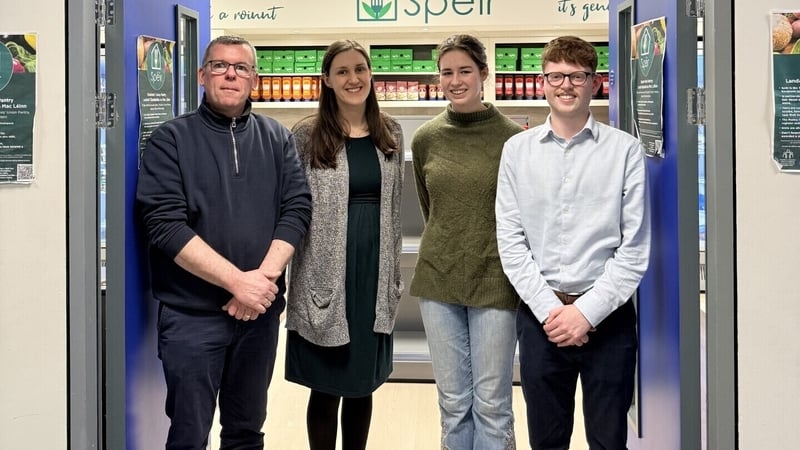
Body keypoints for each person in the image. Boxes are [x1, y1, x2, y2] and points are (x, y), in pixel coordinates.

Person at [135, 35, 312, 449]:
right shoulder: (170, 140)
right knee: (188, 435)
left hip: (258, 318)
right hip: (192, 320)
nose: (230, 74)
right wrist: (238, 283)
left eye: (241, 67)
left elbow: (297, 208)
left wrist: (259, 284)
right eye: (219, 65)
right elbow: (165, 225)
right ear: (201, 75)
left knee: (246, 432)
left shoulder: (277, 137)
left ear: (254, 78)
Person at [495, 35, 651, 449]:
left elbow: (633, 250)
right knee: (547, 441)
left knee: (608, 440)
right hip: (540, 319)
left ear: (595, 83)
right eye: (556, 76)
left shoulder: (625, 151)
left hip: (610, 320)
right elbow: (511, 243)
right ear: (541, 82)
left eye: (577, 76)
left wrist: (585, 313)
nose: (566, 85)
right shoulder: (516, 151)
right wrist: (554, 314)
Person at [284, 39, 405, 450]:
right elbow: (293, 208)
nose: (353, 78)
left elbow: (394, 207)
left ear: (371, 75)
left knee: (361, 384)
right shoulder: (307, 134)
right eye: (342, 71)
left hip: (373, 271)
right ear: (327, 80)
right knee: (326, 385)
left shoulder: (391, 132)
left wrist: (391, 275)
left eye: (360, 69)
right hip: (326, 270)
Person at [409, 34, 524, 450]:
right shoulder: (425, 138)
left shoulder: (513, 139)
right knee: (454, 403)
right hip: (438, 282)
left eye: (464, 71)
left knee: (492, 405)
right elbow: (431, 209)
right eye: (447, 72)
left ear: (483, 74)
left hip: (495, 280)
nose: (455, 80)